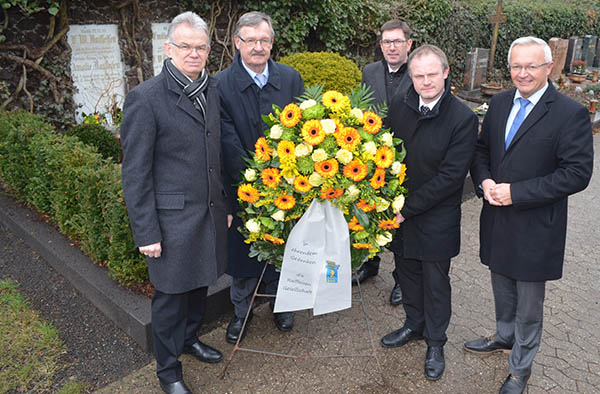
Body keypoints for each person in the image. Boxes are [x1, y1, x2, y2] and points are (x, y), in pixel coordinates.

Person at [465, 36, 594, 394]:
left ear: (548, 68)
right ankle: (504, 336)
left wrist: (517, 193)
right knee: (500, 285)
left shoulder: (570, 113)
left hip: (536, 226)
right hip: (497, 219)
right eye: (516, 66)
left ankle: (521, 367)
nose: (523, 73)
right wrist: (486, 180)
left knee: (528, 304)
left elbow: (577, 174)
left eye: (531, 66)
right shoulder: (501, 102)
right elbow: (481, 151)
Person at [120, 12, 227, 394]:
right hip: (171, 222)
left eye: (200, 47)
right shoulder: (145, 99)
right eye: (185, 47)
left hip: (208, 213)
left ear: (209, 51)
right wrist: (146, 232)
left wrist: (225, 205)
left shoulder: (211, 90)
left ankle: (189, 339)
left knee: (200, 286)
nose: (193, 54)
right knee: (170, 299)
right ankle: (168, 371)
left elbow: (216, 154)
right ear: (168, 49)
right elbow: (135, 173)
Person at [380, 44, 478, 381]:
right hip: (400, 212)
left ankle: (436, 342)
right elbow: (385, 151)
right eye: (418, 76)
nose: (425, 82)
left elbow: (451, 178)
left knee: (436, 283)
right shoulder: (400, 105)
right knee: (406, 273)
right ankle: (413, 324)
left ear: (446, 73)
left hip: (434, 215)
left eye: (432, 75)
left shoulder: (463, 118)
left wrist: (406, 210)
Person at [216, 11, 304, 345]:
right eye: (250, 40)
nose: (258, 47)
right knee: (244, 257)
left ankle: (282, 306)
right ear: (237, 43)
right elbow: (226, 140)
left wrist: (285, 178)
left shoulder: (290, 78)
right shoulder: (221, 85)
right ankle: (242, 312)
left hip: (287, 188)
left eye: (264, 40)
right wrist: (255, 180)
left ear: (272, 42)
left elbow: (300, 133)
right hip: (243, 190)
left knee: (285, 250)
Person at [355, 19, 413, 305]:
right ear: (381, 46)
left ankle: (402, 278)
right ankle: (370, 262)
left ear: (408, 45)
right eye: (387, 42)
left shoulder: (419, 72)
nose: (392, 47)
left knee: (400, 220)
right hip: (373, 158)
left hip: (407, 159)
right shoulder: (369, 71)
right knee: (369, 212)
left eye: (397, 42)